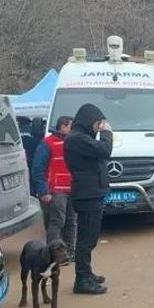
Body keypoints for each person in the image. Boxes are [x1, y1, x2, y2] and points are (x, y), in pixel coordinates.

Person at [63, 104, 112, 295]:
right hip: (87, 194)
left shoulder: (81, 138)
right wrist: (107, 132)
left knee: (89, 237)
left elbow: (98, 151)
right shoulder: (77, 139)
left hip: (91, 192)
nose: (99, 127)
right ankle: (82, 280)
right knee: (86, 239)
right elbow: (105, 150)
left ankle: (86, 273)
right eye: (98, 123)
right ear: (90, 121)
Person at [32, 115, 76, 252]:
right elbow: (38, 168)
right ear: (63, 127)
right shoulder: (47, 143)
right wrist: (43, 191)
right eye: (71, 127)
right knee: (57, 222)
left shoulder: (73, 143)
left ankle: (69, 252)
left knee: (71, 222)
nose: (74, 130)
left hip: (72, 190)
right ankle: (52, 253)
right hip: (56, 191)